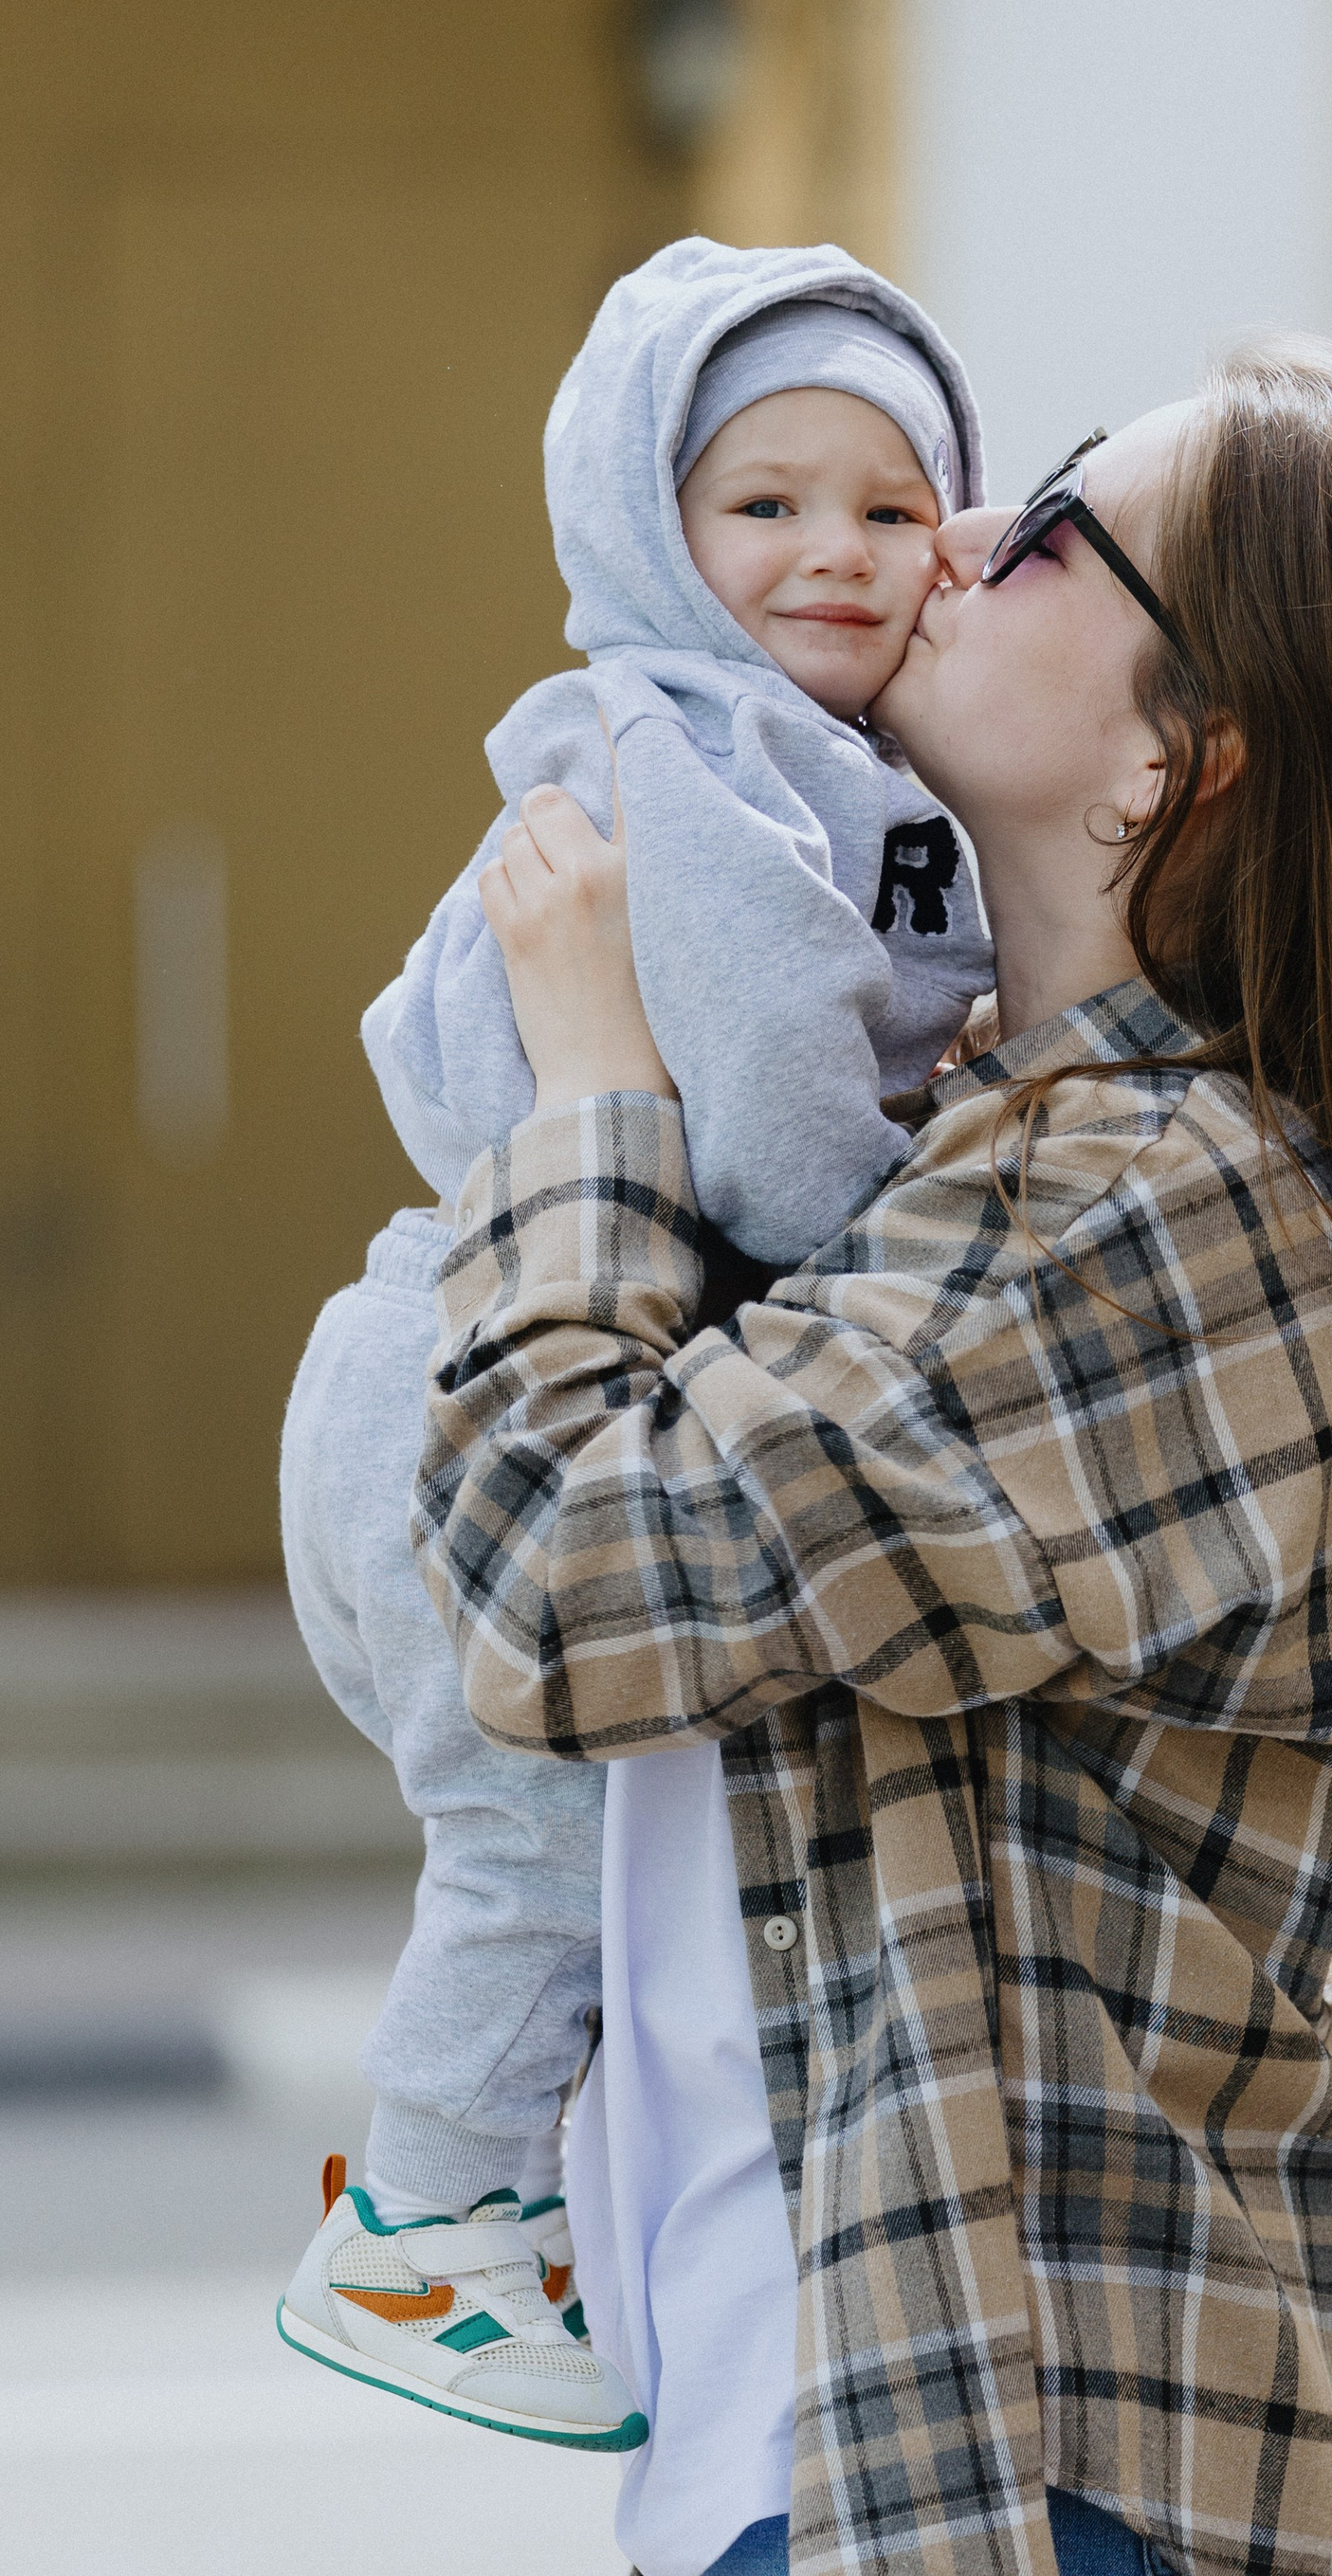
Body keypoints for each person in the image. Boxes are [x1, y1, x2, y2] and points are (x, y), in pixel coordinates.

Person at [411, 336, 1332, 2576]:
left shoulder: (1162, 1209)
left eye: (1045, 524)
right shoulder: (982, 1155)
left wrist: (585, 1106)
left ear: (1176, 758)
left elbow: (561, 1581)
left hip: (1002, 2481)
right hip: (890, 2456)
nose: (942, 535)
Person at [275, 240, 994, 2447]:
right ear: (643, 525)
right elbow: (774, 1085)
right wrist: (903, 1236)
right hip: (448, 1378)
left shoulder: (830, 766)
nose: (832, 554)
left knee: (570, 1854)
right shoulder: (669, 743)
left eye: (888, 507)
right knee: (527, 1847)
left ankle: (503, 2208)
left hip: (510, 1353)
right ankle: (417, 2224)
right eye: (760, 504)